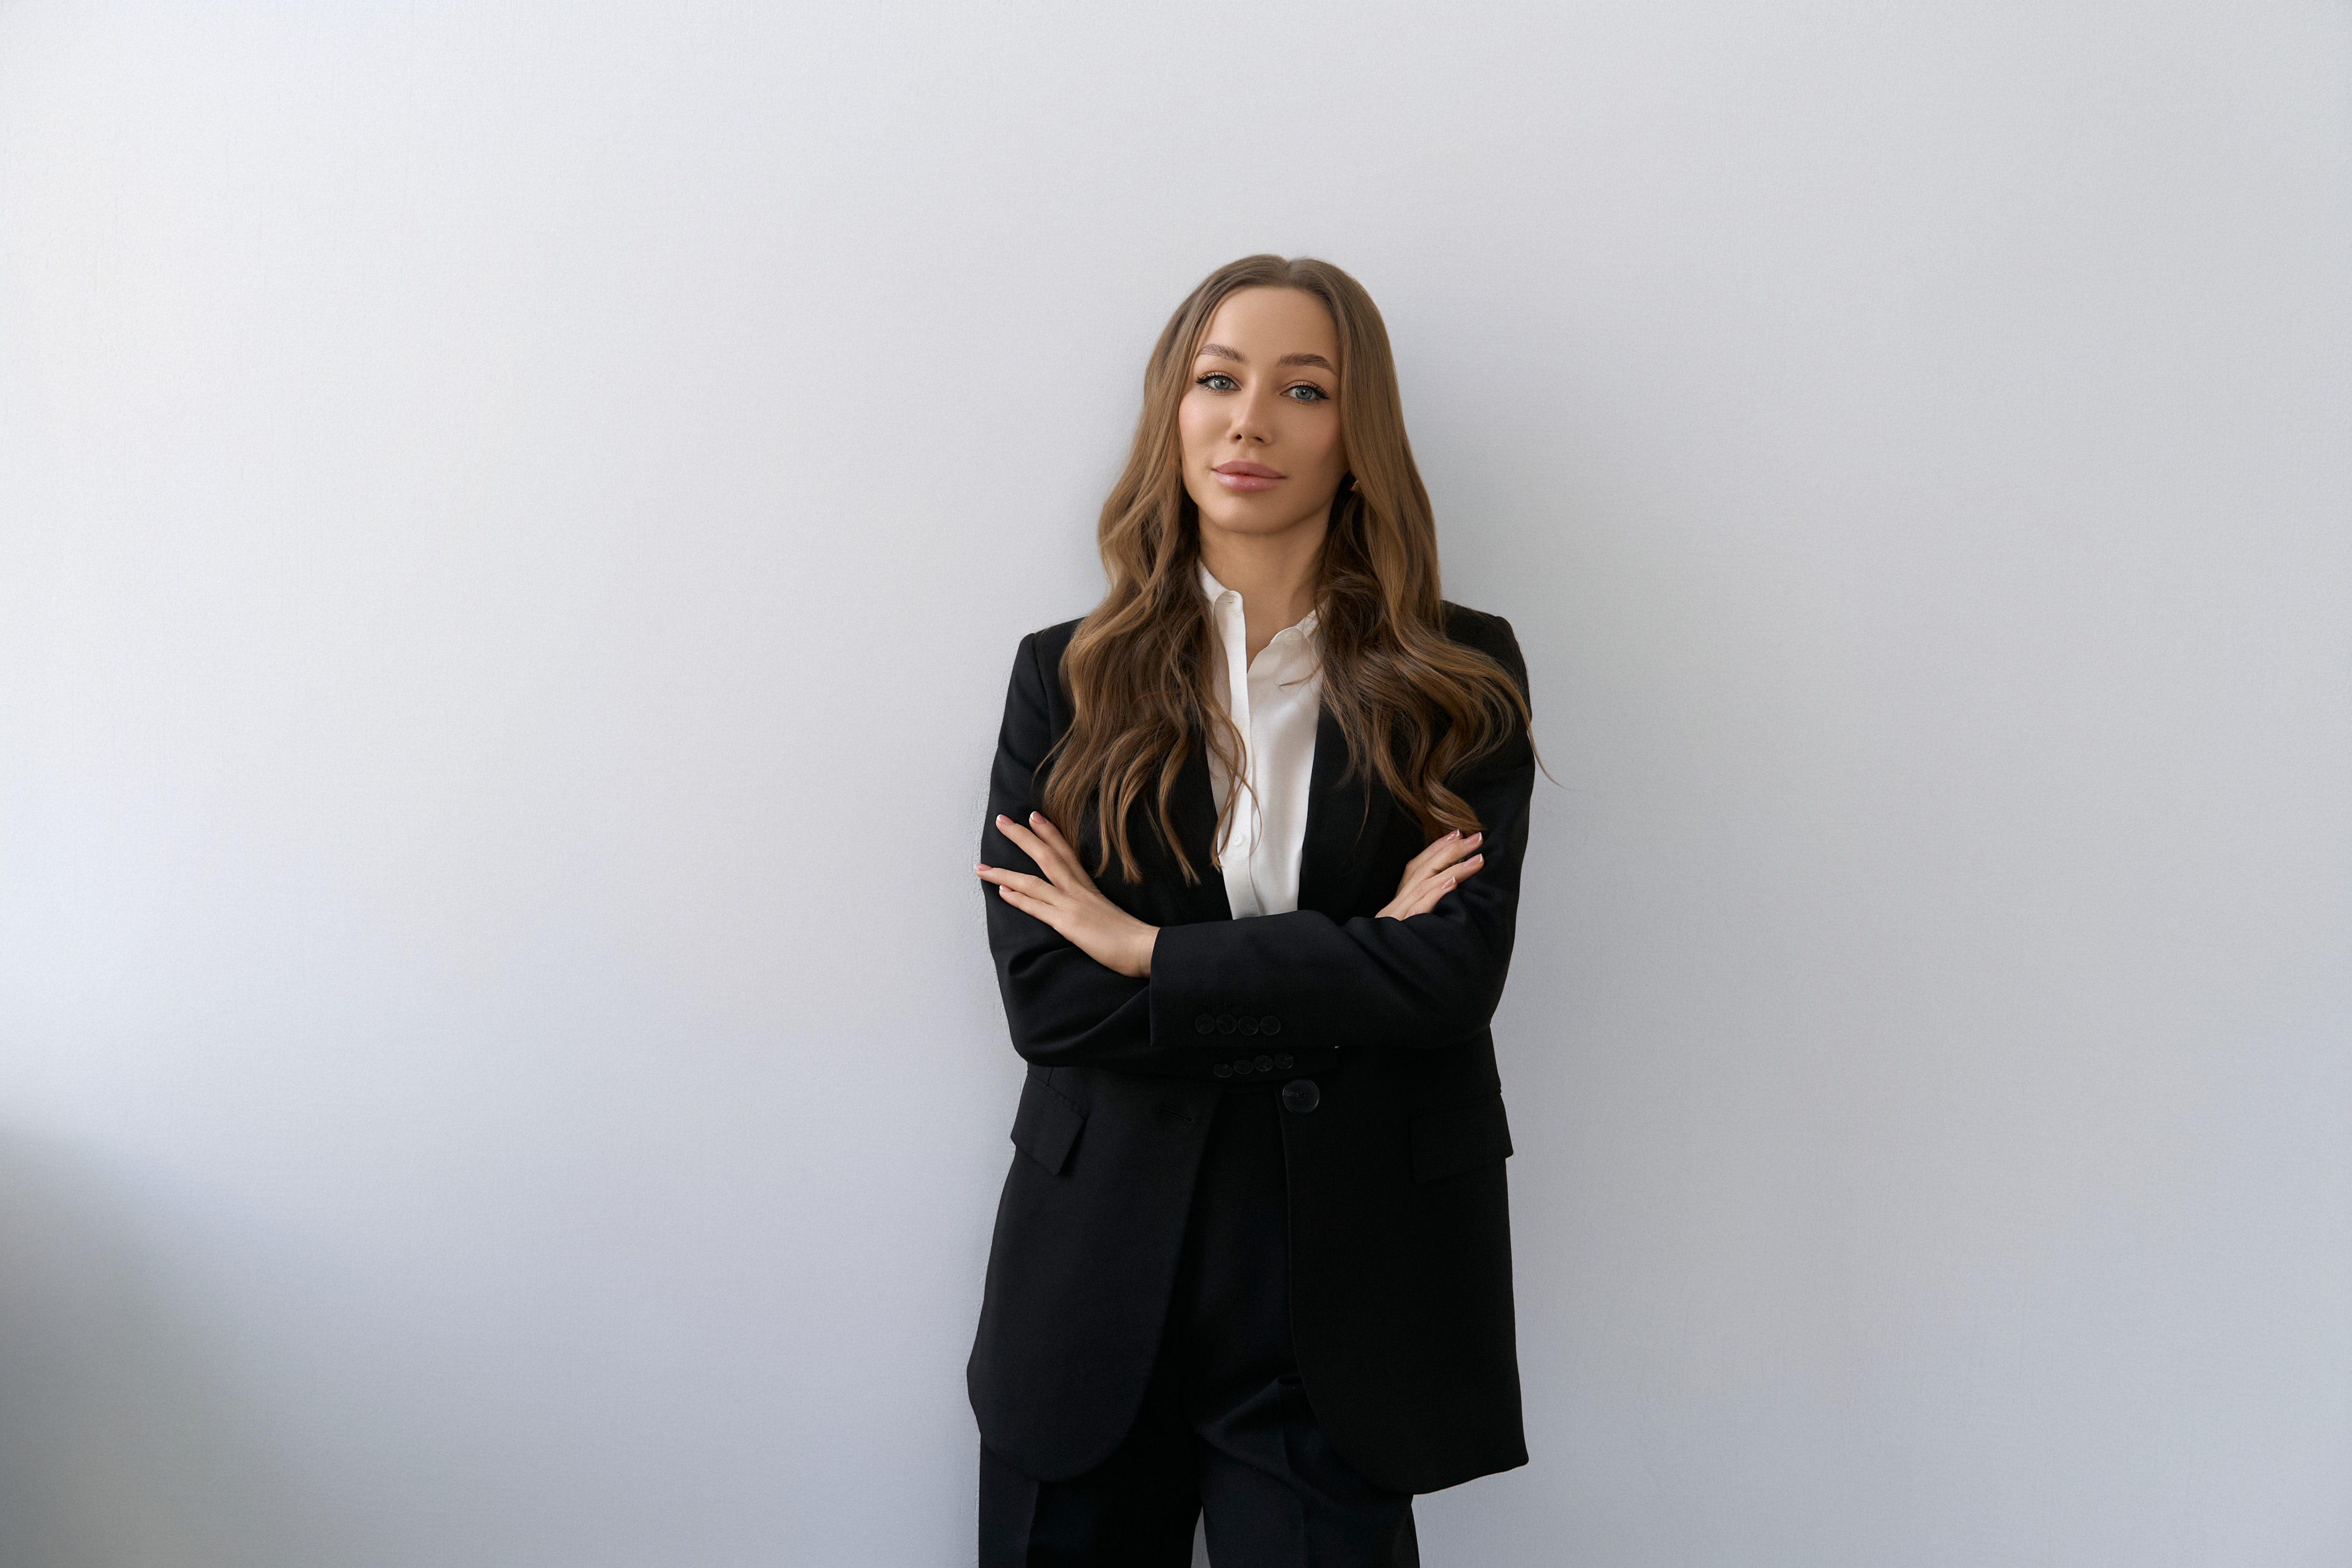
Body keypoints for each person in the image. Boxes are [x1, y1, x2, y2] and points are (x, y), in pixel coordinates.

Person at [968, 254, 1537, 1567]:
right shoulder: (1065, 678)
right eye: (1218, 380)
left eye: (1304, 389)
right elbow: (1048, 999)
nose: (1251, 421)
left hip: (1346, 1287)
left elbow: (1451, 979)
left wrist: (1149, 953)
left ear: (1357, 431)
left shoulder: (1459, 676)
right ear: (1173, 411)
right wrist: (1350, 963)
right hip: (1096, 1271)